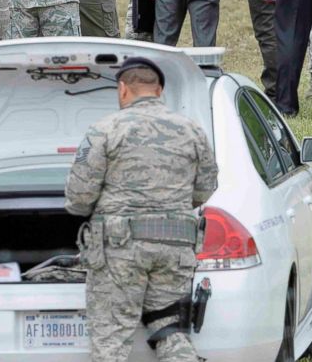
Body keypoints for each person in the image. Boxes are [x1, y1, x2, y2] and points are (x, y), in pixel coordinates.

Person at [65, 57, 217, 362]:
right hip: (176, 248)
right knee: (170, 330)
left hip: (120, 251)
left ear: (123, 89)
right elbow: (206, 188)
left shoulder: (105, 130)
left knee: (111, 341)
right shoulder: (192, 131)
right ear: (159, 90)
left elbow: (79, 198)